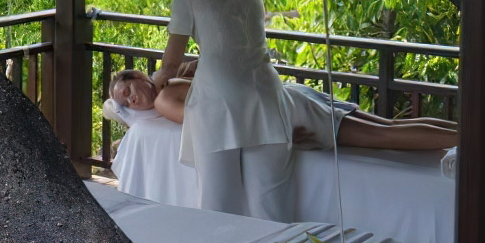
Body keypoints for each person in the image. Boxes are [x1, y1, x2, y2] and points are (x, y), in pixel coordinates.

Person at [150, 0, 293, 219]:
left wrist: (151, 84)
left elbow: (170, 63)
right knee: (271, 206)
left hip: (218, 101)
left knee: (218, 205)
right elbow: (235, 45)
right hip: (266, 95)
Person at [108, 69, 457, 151]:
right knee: (388, 126)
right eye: (125, 103)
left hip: (281, 111)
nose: (132, 101)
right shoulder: (176, 77)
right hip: (288, 94)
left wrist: (280, 136)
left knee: (382, 136)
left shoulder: (165, 99)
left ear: (139, 76)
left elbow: (216, 124)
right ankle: (470, 131)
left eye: (128, 91)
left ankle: (473, 140)